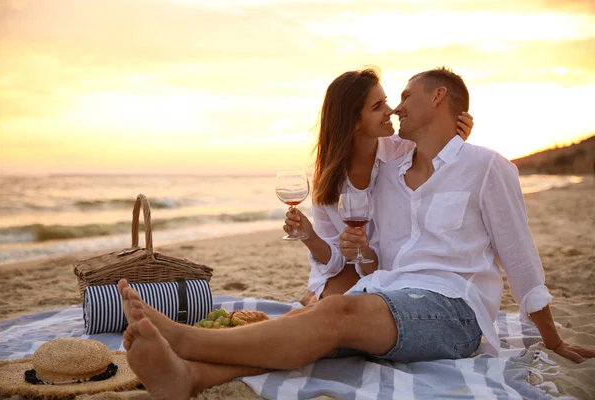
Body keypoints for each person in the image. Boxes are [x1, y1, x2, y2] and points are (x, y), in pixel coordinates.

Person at [117, 68, 595, 398]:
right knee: (309, 336)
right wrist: (362, 254)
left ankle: (184, 339)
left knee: (336, 312)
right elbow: (376, 260)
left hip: (454, 309)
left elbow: (520, 257)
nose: (396, 108)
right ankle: (191, 377)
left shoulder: (488, 166)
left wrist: (550, 338)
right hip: (390, 292)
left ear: (439, 98)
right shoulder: (391, 170)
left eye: (405, 97)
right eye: (388, 103)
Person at [282, 68, 473, 304]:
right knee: (333, 302)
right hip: (350, 269)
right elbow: (335, 260)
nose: (391, 111)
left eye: (385, 102)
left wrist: (455, 139)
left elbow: (441, 172)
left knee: (337, 306)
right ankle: (315, 299)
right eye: (377, 107)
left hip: (394, 267)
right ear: (352, 122)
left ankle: (314, 301)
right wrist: (308, 235)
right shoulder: (329, 177)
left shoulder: (403, 150)